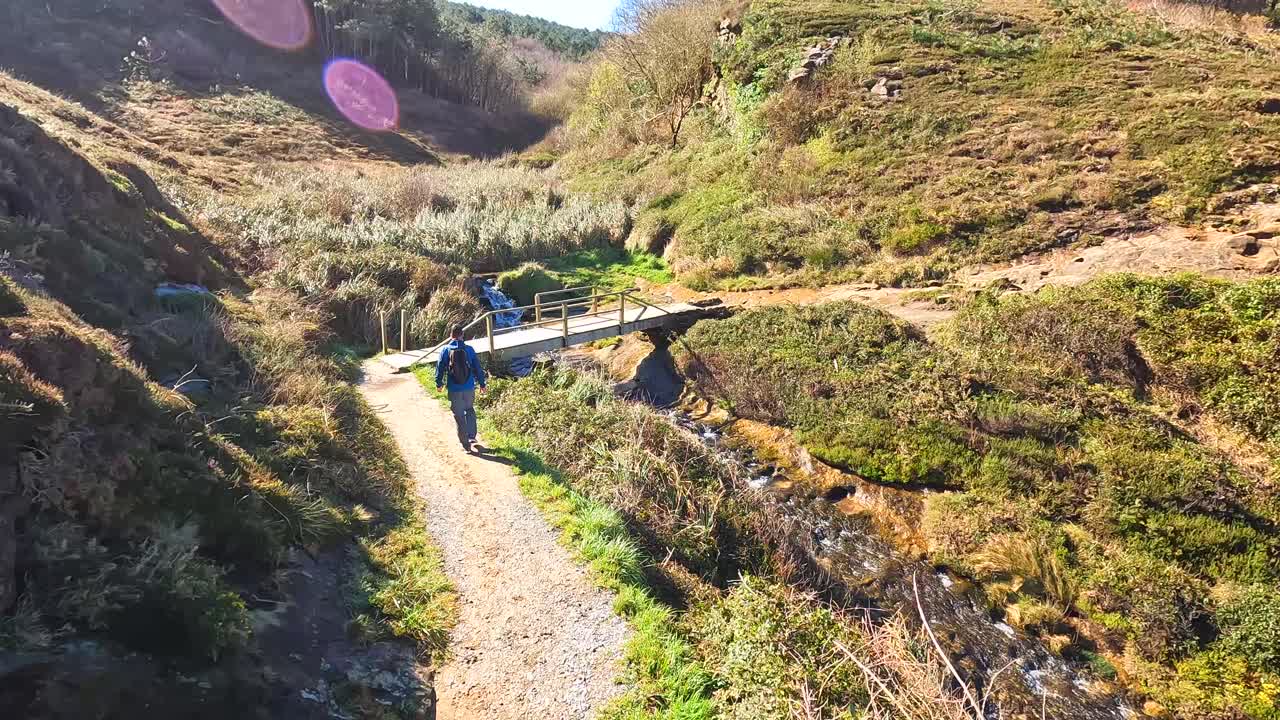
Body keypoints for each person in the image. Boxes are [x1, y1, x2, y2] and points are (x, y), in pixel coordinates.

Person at [435, 323, 487, 453]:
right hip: (469, 387)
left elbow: (440, 368)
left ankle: (466, 446)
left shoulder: (445, 350)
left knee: (458, 416)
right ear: (462, 335)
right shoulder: (469, 349)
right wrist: (482, 384)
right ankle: (471, 436)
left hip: (454, 388)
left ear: (450, 335)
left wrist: (439, 383)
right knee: (469, 409)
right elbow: (477, 368)